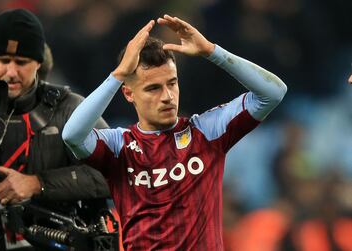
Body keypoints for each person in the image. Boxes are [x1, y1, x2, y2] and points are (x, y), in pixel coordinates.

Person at [62, 14, 287, 250]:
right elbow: (71, 135)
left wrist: (212, 51)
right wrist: (117, 76)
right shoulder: (119, 146)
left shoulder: (207, 132)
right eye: (153, 88)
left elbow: (273, 93)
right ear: (129, 94)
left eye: (172, 83)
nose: (167, 97)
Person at [0, 8, 111, 251]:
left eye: (22, 62)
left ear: (39, 62)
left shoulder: (70, 109)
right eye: (4, 61)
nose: (11, 72)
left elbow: (114, 170)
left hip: (54, 241)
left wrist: (37, 183)